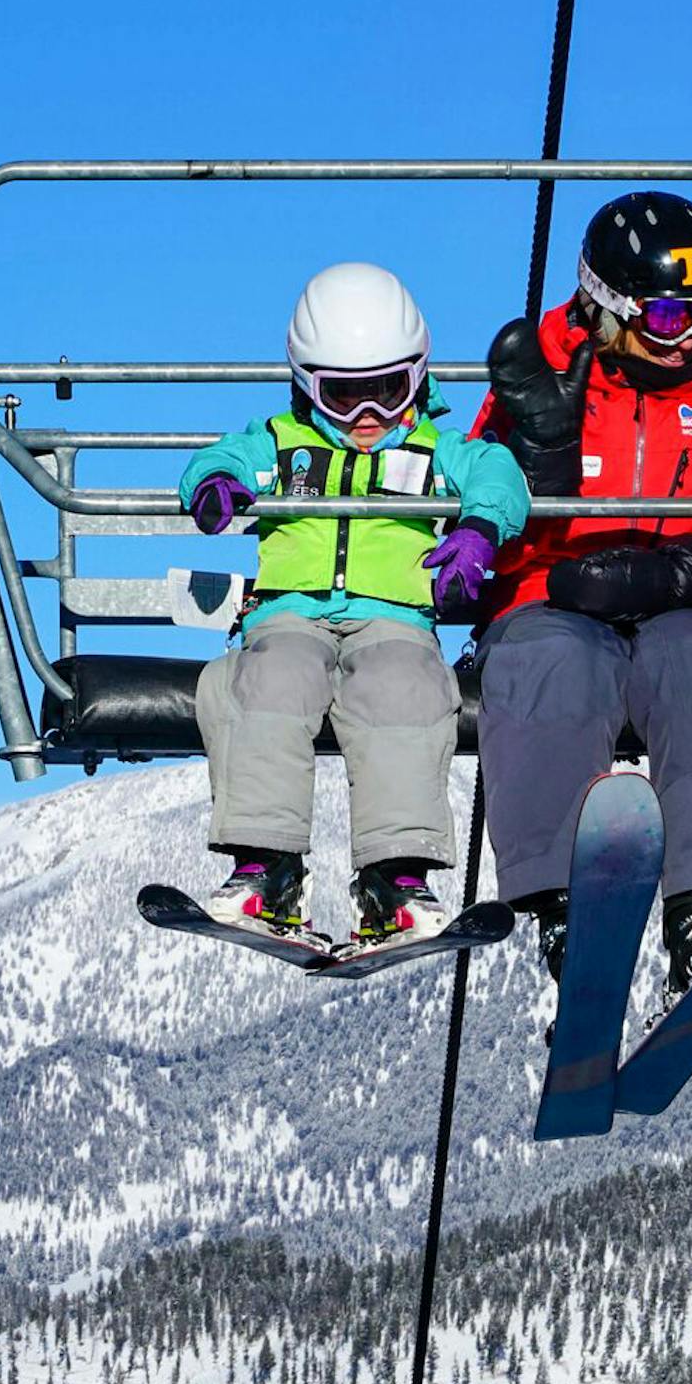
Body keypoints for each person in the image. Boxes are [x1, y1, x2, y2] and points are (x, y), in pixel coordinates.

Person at [472, 192, 692, 997]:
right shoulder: (536, 385)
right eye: (668, 317)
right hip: (552, 601)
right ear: (606, 302)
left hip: (681, 616)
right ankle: (563, 903)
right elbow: (479, 537)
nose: (691, 338)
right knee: (547, 658)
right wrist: (535, 468)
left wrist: (690, 574)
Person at [180, 262, 529, 946]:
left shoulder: (434, 448)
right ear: (309, 387)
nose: (368, 417)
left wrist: (479, 528)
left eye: (388, 391)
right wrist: (215, 483)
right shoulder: (283, 443)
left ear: (418, 377)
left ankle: (394, 880)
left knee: (405, 691)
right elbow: (217, 456)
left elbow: (500, 473)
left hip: (393, 619)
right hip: (289, 614)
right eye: (345, 397)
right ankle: (267, 869)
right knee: (269, 681)